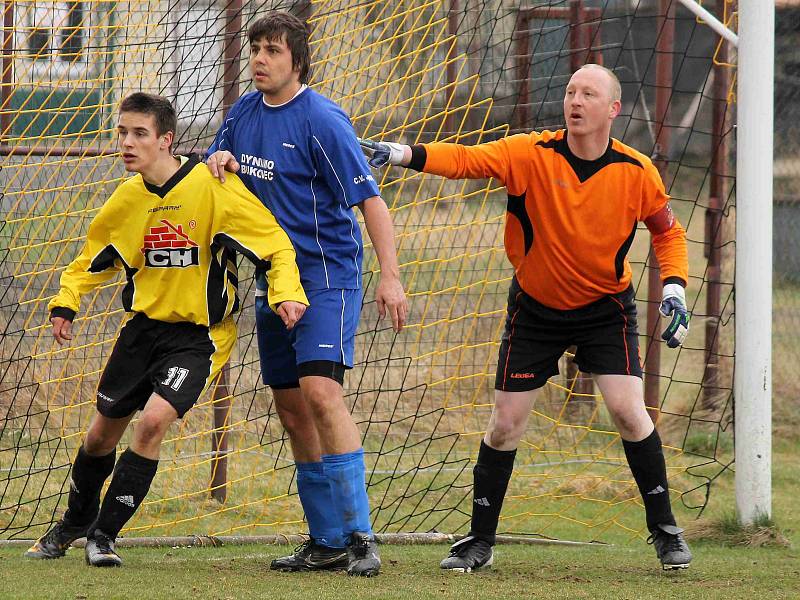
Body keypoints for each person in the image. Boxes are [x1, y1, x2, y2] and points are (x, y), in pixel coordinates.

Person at [360, 63, 693, 572]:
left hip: (605, 309)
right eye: (570, 91)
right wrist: (400, 154)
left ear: (613, 109)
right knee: (504, 426)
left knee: (629, 413)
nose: (575, 101)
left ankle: (667, 533)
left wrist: (673, 287)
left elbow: (668, 232)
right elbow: (466, 160)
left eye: (588, 94)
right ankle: (479, 542)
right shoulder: (529, 153)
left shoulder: (637, 171)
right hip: (535, 309)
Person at [24, 92, 308, 567]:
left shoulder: (212, 186)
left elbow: (274, 244)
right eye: (121, 132)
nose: (127, 143)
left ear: (166, 140)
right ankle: (75, 521)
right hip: (141, 334)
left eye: (139, 133)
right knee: (99, 437)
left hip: (200, 337)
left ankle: (104, 535)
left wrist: (286, 292)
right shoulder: (128, 199)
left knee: (154, 421)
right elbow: (92, 258)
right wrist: (66, 302)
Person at [205, 11, 406, 577]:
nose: (260, 60)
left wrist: (389, 276)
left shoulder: (323, 120)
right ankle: (325, 541)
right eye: (255, 50)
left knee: (321, 393)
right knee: (291, 410)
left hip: (327, 275)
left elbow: (371, 202)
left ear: (297, 59)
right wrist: (217, 159)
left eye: (272, 50)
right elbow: (217, 163)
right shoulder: (242, 114)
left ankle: (361, 535)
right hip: (274, 279)